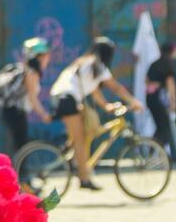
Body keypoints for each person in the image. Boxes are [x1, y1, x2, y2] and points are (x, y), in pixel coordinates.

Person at [49, 36, 143, 191]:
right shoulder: (97, 65)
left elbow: (94, 90)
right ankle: (84, 177)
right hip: (67, 99)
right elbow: (116, 88)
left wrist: (106, 106)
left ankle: (72, 154)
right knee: (80, 139)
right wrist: (134, 101)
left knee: (82, 134)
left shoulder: (86, 62)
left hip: (64, 98)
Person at [2, 37, 53, 153]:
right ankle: (19, 171)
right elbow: (32, 98)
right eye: (46, 55)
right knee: (21, 147)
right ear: (39, 57)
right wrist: (44, 115)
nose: (48, 59)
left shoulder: (27, 70)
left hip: (13, 112)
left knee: (20, 144)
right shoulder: (31, 73)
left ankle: (18, 170)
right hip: (16, 113)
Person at [145, 42, 176, 151]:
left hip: (150, 98)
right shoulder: (168, 63)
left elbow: (147, 80)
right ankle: (156, 152)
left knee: (161, 126)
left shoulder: (154, 63)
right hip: (159, 98)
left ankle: (155, 152)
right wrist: (173, 102)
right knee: (164, 127)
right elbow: (170, 84)